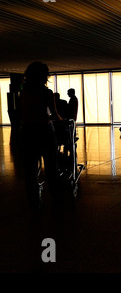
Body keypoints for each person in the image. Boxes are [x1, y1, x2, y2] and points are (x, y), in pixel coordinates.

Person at [20, 61, 62, 211]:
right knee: (51, 167)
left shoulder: (24, 91)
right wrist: (63, 121)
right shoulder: (47, 93)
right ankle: (56, 199)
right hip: (44, 131)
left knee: (30, 171)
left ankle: (34, 203)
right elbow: (54, 115)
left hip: (27, 132)